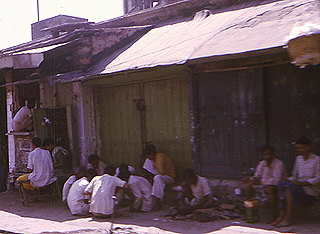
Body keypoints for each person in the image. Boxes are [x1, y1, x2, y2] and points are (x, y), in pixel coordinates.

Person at [272, 137, 320, 227]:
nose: (299, 150)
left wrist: (303, 183)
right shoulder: (298, 159)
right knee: (283, 185)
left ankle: (287, 218)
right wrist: (290, 179)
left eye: (301, 148)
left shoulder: (317, 159)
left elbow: (318, 178)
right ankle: (281, 216)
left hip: (310, 191)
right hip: (297, 189)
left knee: (289, 188)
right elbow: (294, 175)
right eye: (298, 148)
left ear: (308, 147)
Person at [242, 145, 286, 221]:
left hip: (277, 186)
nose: (267, 157)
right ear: (262, 155)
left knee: (270, 189)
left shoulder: (278, 164)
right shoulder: (262, 163)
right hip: (263, 185)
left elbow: (276, 180)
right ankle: (250, 213)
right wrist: (250, 180)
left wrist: (261, 182)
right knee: (248, 187)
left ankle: (272, 215)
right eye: (265, 155)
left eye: (269, 154)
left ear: (273, 154)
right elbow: (257, 176)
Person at [142, 144, 176, 210]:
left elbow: (161, 172)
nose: (148, 157)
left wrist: (154, 178)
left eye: (148, 155)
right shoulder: (151, 159)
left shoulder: (159, 157)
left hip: (169, 177)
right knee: (148, 162)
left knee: (157, 178)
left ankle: (158, 200)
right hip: (159, 176)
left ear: (152, 153)